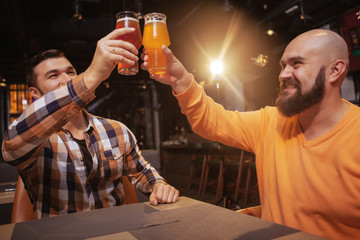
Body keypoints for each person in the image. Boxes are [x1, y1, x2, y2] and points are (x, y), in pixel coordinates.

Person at [141, 29, 360, 240]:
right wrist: (181, 80)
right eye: (283, 65)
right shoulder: (270, 121)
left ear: (335, 70)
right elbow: (212, 120)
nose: (283, 74)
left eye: (297, 64)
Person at [1, 27, 179, 219]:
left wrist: (159, 186)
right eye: (53, 76)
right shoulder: (36, 140)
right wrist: (93, 74)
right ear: (35, 93)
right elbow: (11, 148)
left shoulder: (116, 130)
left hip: (116, 231)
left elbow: (142, 172)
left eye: (71, 72)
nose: (66, 80)